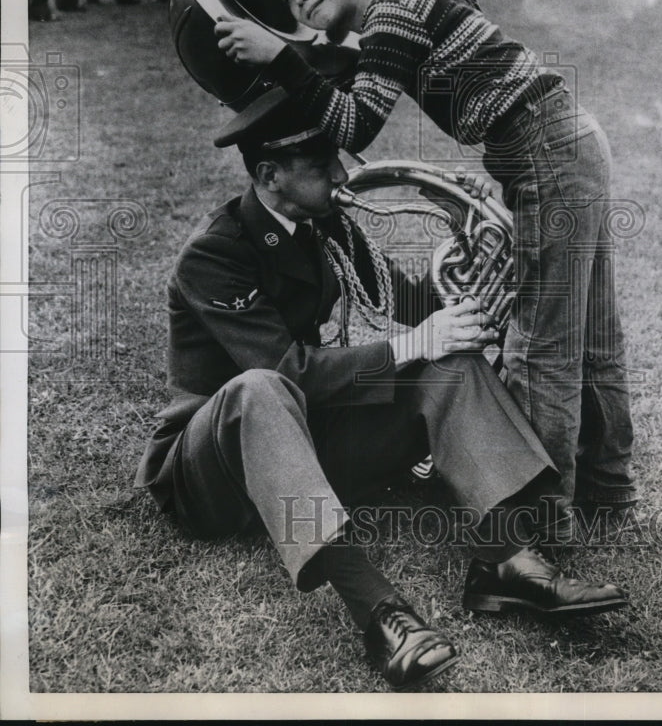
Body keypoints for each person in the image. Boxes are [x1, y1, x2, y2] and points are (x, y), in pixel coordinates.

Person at [134, 90, 628, 692]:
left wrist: (471, 284)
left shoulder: (324, 222)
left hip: (303, 446)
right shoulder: (214, 253)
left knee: (448, 359)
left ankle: (508, 559)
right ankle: (381, 615)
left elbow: (407, 301)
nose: (342, 175)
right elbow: (290, 373)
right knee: (262, 388)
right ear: (270, 176)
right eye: (321, 166)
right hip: (212, 473)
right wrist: (412, 343)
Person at [212, 0, 637, 526]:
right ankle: (609, 487)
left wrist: (280, 57)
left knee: (539, 348)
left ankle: (540, 518)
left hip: (547, 154)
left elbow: (357, 122)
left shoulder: (389, 13)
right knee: (594, 335)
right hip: (569, 143)